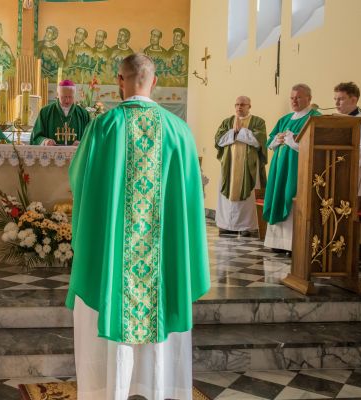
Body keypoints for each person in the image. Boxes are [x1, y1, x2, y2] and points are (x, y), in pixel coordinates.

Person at [67, 54, 210, 400]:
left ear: (120, 79)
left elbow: (78, 181)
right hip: (163, 262)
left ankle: (111, 391)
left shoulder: (104, 127)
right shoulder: (178, 131)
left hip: (115, 262)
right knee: (159, 330)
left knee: (113, 320)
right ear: (154, 81)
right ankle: (158, 390)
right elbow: (192, 196)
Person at [263, 83, 321, 252]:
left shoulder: (314, 117)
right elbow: (270, 142)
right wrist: (278, 140)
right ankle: (278, 243)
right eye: (292, 98)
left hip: (297, 169)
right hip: (279, 167)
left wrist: (292, 141)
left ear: (309, 98)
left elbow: (315, 145)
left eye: (298, 97)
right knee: (278, 196)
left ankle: (293, 245)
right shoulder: (285, 119)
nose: (294, 101)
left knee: (291, 199)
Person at [214, 96, 267, 236]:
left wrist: (240, 131)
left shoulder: (258, 122)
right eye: (237, 104)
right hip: (229, 167)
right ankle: (226, 225)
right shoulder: (227, 122)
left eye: (243, 104)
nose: (239, 107)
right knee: (226, 194)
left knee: (248, 197)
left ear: (249, 106)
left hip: (249, 167)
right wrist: (233, 132)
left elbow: (258, 141)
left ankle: (247, 227)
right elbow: (219, 140)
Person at [31, 80, 90, 146]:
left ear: (74, 95)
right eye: (64, 97)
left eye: (70, 97)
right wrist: (45, 141)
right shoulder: (45, 112)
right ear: (57, 95)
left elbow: (91, 137)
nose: (67, 100)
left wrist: (82, 143)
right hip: (51, 155)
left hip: (77, 155)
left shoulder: (83, 114)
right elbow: (36, 137)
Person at [333, 82, 361, 196]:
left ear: (353, 100)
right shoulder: (333, 120)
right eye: (335, 99)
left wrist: (339, 157)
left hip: (354, 175)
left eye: (341, 99)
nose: (336, 103)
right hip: (335, 172)